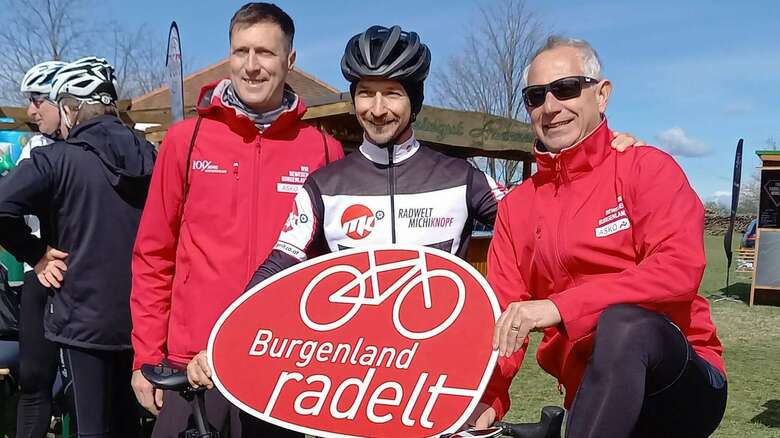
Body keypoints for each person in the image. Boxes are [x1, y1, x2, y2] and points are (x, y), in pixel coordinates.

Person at [185, 25, 641, 399]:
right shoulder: (324, 186)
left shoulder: (463, 178)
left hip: (435, 380)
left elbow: (545, 211)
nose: (377, 109)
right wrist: (224, 338)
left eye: (392, 94)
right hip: (346, 383)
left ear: (414, 99)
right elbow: (277, 268)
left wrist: (606, 157)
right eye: (366, 93)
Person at [472, 36, 727, 437]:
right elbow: (504, 314)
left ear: (602, 94)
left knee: (624, 324)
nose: (550, 107)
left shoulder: (646, 168)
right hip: (593, 392)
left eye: (567, 88)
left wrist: (559, 307)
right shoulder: (516, 207)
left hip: (681, 378)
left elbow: (679, 269)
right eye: (535, 96)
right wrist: (490, 396)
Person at [129, 3, 343, 437]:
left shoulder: (322, 150)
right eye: (240, 51)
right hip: (192, 365)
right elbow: (154, 254)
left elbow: (332, 273)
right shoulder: (185, 141)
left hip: (282, 366)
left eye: (265, 53)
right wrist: (145, 356)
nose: (251, 67)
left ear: (290, 60)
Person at [0, 56, 156, 437]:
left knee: (92, 427)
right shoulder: (153, 156)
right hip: (142, 316)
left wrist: (34, 253)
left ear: (70, 109)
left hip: (81, 318)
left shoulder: (55, 160)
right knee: (128, 424)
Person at [15, 60, 67, 438]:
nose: (31, 112)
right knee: (34, 381)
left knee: (91, 385)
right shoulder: (35, 148)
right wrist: (35, 253)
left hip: (90, 282)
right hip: (43, 276)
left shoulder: (93, 143)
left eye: (37, 100)